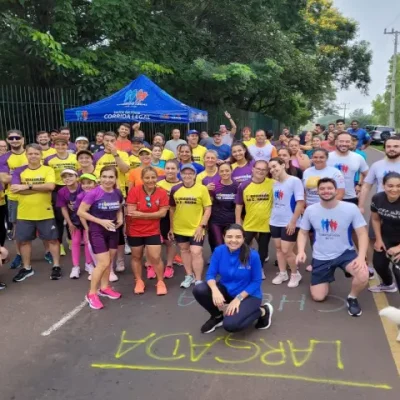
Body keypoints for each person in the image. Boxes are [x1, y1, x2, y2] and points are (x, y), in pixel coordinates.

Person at [296, 178, 369, 317]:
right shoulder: (310, 210)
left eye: (329, 188)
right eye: (322, 189)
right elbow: (303, 232)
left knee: (363, 274)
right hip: (321, 256)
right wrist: (300, 251)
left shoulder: (350, 208)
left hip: (345, 253)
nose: (326, 191)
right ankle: (325, 278)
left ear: (336, 190)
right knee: (318, 297)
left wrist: (361, 257)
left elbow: (362, 234)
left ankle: (352, 298)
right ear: (317, 191)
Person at [192, 224, 273, 333]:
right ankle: (217, 316)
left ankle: (263, 311)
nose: (233, 240)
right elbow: (210, 275)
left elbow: (256, 282)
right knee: (199, 289)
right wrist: (215, 291)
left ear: (244, 238)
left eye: (238, 237)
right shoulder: (219, 251)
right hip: (227, 290)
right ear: (224, 237)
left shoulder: (253, 255)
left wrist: (238, 299)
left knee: (231, 325)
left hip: (248, 295)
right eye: (229, 237)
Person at [11, 144, 61, 282]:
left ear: (41, 155)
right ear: (26, 155)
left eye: (36, 154)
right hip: (24, 213)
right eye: (30, 153)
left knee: (52, 240)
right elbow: (15, 189)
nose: (33, 156)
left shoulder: (48, 169)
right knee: (24, 241)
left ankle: (56, 266)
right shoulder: (18, 171)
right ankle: (27, 268)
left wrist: (27, 186)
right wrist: (41, 188)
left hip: (45, 212)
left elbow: (50, 186)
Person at [78, 166, 124, 310]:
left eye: (111, 177)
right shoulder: (94, 193)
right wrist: (101, 221)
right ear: (100, 178)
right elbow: (81, 212)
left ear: (115, 178)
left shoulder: (117, 192)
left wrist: (120, 218)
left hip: (113, 230)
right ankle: (91, 294)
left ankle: (104, 287)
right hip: (97, 231)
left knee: (109, 261)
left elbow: (119, 207)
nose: (107, 180)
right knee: (103, 263)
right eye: (104, 176)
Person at [126, 166, 169, 295]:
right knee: (136, 256)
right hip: (134, 230)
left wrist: (142, 214)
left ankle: (160, 281)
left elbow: (162, 214)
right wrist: (153, 214)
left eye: (153, 177)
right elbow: (131, 212)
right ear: (142, 178)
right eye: (147, 177)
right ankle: (139, 281)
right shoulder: (134, 191)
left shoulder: (162, 192)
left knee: (156, 257)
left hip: (152, 230)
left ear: (157, 178)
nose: (150, 180)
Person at [358, 137, 400, 270]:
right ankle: (372, 267)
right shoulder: (377, 165)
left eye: (396, 146)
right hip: (380, 208)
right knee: (373, 238)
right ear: (385, 147)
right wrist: (360, 205)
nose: (392, 149)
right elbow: (366, 186)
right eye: (389, 146)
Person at [169, 164, 212, 287]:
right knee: (184, 250)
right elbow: (172, 209)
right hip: (180, 227)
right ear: (180, 174)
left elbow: (208, 209)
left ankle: (198, 279)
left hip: (197, 228)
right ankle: (189, 275)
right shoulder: (175, 189)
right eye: (184, 173)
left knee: (196, 251)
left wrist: (202, 226)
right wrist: (172, 227)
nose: (187, 175)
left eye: (190, 173)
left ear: (194, 175)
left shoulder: (202, 189)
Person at [269, 157, 305, 287]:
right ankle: (282, 273)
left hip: (289, 222)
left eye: (274, 166)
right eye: (270, 168)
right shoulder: (274, 184)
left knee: (287, 251)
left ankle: (295, 274)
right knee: (278, 249)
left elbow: (300, 202)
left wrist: (293, 221)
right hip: (275, 221)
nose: (272, 170)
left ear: (283, 165)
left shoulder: (294, 181)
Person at [235, 160, 274, 277]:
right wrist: (238, 221)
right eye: (258, 169)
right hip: (249, 222)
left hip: (266, 222)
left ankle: (259, 268)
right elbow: (238, 204)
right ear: (252, 169)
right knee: (242, 246)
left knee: (263, 249)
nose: (260, 172)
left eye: (264, 169)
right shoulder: (244, 185)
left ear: (267, 171)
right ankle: (243, 266)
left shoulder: (273, 183)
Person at [44, 134, 78, 256]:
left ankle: (71, 239)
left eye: (63, 144)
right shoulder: (49, 159)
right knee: (59, 218)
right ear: (54, 145)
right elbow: (46, 174)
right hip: (57, 189)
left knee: (73, 215)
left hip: (73, 188)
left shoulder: (74, 157)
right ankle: (60, 244)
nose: (60, 146)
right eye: (57, 144)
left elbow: (78, 172)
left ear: (67, 145)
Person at [57, 169, 94, 279]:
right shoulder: (62, 192)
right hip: (74, 220)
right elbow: (63, 208)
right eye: (64, 177)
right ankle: (76, 266)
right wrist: (69, 223)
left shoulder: (83, 187)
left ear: (77, 177)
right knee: (75, 242)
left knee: (88, 242)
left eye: (70, 176)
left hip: (89, 219)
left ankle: (89, 264)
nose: (67, 178)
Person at [0, 130, 28, 269]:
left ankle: (47, 252)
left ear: (23, 139)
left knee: (41, 225)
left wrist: (14, 175)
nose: (15, 140)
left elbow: (40, 171)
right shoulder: (4, 158)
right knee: (17, 227)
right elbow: (4, 178)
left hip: (34, 194)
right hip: (14, 197)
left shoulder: (31, 153)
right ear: (8, 140)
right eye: (12, 138)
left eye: (17, 137)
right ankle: (19, 254)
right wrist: (27, 175)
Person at [369, 172, 400, 293]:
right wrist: (378, 239)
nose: (394, 189)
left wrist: (398, 248)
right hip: (386, 236)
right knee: (379, 265)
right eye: (390, 186)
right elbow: (376, 219)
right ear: (383, 185)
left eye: (399, 186)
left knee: (398, 271)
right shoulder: (377, 198)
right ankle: (388, 285)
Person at [327, 132, 369, 205]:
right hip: (329, 197)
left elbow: (368, 175)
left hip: (350, 197)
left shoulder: (358, 158)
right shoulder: (327, 157)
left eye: (347, 141)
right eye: (341, 141)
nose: (344, 144)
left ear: (351, 143)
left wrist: (360, 186)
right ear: (336, 142)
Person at [157, 160, 182, 278]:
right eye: (168, 168)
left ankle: (169, 265)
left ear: (178, 170)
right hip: (163, 215)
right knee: (166, 241)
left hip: (179, 214)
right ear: (164, 169)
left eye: (173, 168)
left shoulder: (182, 184)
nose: (170, 171)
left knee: (174, 242)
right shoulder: (159, 183)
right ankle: (152, 265)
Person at [208, 163, 238, 251]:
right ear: (218, 173)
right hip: (216, 221)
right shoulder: (213, 186)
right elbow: (209, 202)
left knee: (231, 244)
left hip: (231, 220)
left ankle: (231, 263)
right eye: (222, 171)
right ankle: (220, 262)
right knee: (219, 244)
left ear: (231, 171)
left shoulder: (237, 186)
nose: (224, 173)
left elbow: (239, 205)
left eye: (227, 171)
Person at [74, 173, 98, 280]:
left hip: (98, 223)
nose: (86, 185)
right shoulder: (80, 196)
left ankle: (97, 266)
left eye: (89, 183)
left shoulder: (99, 194)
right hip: (85, 225)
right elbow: (81, 214)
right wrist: (87, 229)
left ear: (95, 183)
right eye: (83, 183)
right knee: (88, 244)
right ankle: (89, 265)